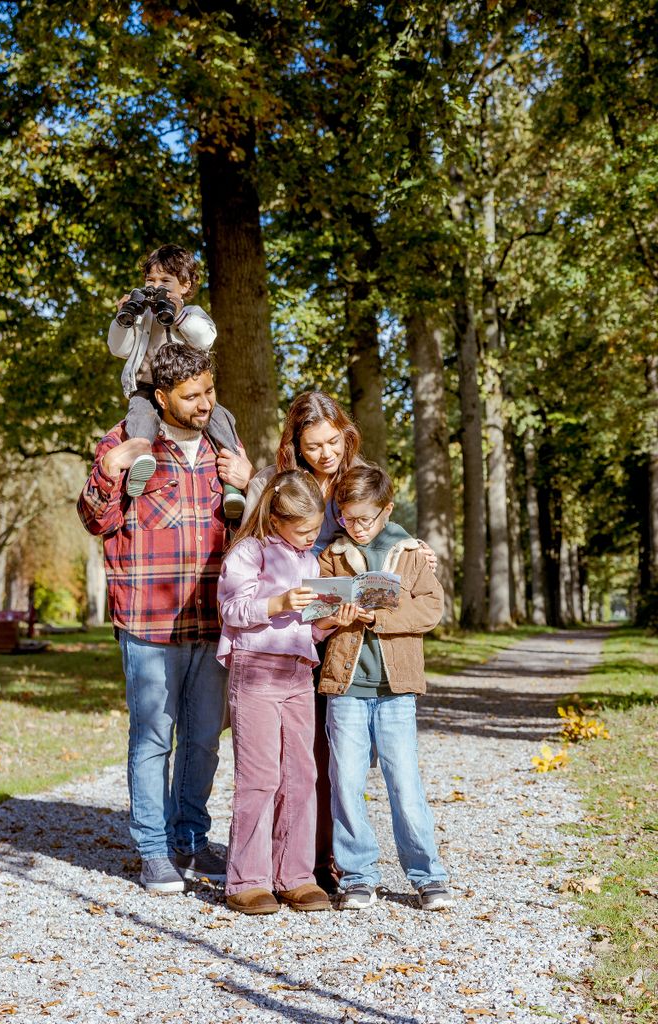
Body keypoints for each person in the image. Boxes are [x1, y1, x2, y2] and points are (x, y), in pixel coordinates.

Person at [242, 391, 437, 894]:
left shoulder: (357, 479)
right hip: (298, 630)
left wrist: (413, 549)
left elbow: (385, 532)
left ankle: (333, 861)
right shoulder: (279, 482)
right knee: (299, 756)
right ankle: (295, 861)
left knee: (339, 764)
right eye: (313, 446)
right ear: (296, 445)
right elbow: (255, 542)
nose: (325, 454)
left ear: (345, 435)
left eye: (332, 442)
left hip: (348, 641)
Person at [77, 342, 253, 893]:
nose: (204, 404)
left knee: (203, 740)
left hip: (213, 620)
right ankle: (153, 850)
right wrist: (108, 471)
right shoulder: (129, 441)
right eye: (191, 396)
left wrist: (252, 482)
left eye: (209, 392)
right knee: (153, 738)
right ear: (161, 396)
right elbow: (94, 519)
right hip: (149, 621)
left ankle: (192, 840)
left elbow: (255, 531)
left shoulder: (225, 447)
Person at [216, 470, 366, 915]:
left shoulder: (306, 560)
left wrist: (330, 621)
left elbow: (307, 629)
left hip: (298, 672)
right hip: (256, 670)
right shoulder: (250, 551)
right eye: (301, 530)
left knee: (302, 775)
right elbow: (231, 609)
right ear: (276, 518)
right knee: (260, 777)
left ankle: (295, 874)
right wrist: (278, 603)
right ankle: (246, 877)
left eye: (313, 530)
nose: (308, 539)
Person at [317, 464, 453, 911]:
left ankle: (427, 875)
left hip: (396, 689)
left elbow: (431, 608)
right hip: (346, 686)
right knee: (347, 781)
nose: (354, 527)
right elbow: (316, 614)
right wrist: (333, 616)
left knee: (404, 782)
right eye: (346, 517)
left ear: (386, 510)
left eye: (364, 519)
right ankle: (358, 876)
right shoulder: (333, 553)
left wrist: (380, 616)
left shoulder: (410, 553)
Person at [108, 243, 245, 516]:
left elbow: (206, 338)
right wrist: (123, 319)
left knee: (220, 418)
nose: (156, 287)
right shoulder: (141, 318)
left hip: (186, 387)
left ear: (185, 285)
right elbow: (119, 349)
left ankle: (233, 484)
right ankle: (141, 461)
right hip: (147, 386)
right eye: (150, 281)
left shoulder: (192, 313)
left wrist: (177, 313)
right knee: (140, 416)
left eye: (165, 282)